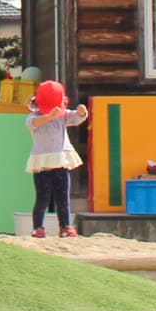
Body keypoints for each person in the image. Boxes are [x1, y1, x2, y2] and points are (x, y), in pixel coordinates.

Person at [25, 79, 88, 238]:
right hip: (42, 165)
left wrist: (81, 112)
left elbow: (76, 117)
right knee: (43, 197)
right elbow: (34, 123)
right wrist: (48, 116)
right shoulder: (33, 117)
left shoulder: (62, 116)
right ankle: (38, 227)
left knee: (63, 197)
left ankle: (65, 227)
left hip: (60, 161)